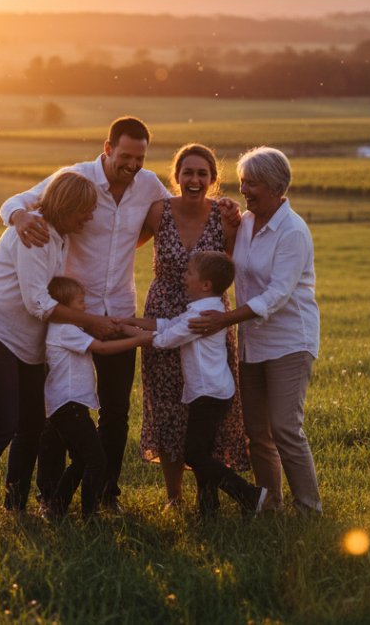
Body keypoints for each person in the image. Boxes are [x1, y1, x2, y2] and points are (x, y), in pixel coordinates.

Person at [0, 116, 169, 511]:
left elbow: (177, 213)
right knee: (60, 411)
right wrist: (20, 217)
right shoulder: (75, 178)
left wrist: (225, 209)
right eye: (125, 156)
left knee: (115, 412)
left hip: (120, 311)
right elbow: (16, 201)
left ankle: (105, 495)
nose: (132, 165)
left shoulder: (148, 184)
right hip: (71, 314)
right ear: (107, 148)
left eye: (140, 158)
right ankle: (49, 498)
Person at [0, 171, 111, 522]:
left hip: (24, 341)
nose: (88, 218)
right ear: (66, 205)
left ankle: (15, 507)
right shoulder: (36, 233)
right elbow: (37, 302)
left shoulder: (59, 235)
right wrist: (92, 322)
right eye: (84, 211)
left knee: (32, 426)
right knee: (3, 424)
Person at [189, 147, 322, 515]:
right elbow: (233, 265)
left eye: (253, 184)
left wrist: (222, 320)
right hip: (252, 343)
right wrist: (230, 221)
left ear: (277, 186)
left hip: (290, 341)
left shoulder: (292, 232)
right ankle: (270, 506)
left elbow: (277, 295)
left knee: (284, 429)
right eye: (243, 182)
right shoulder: (246, 222)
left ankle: (309, 509)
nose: (245, 190)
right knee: (257, 434)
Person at [137, 143, 249, 509]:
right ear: (176, 176)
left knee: (206, 407)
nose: (195, 180)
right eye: (188, 172)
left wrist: (237, 217)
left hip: (207, 319)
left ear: (214, 180)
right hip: (163, 314)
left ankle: (208, 498)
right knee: (168, 406)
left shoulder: (224, 216)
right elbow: (122, 243)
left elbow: (230, 264)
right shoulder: (158, 211)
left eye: (203, 174)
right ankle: (174, 498)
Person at [126, 251, 266, 518]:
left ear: (206, 285)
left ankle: (248, 494)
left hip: (209, 393)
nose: (184, 276)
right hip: (211, 391)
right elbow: (168, 324)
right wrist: (134, 322)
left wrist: (130, 334)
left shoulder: (200, 316)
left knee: (194, 453)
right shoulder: (202, 310)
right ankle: (208, 509)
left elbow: (165, 339)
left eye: (189, 273)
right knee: (204, 451)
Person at [40, 276, 154, 520]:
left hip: (68, 406)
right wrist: (139, 340)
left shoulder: (66, 329)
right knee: (97, 460)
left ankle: (56, 508)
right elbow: (101, 348)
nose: (84, 307)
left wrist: (119, 326)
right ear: (65, 306)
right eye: (80, 302)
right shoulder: (64, 330)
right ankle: (90, 514)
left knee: (82, 459)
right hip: (68, 406)